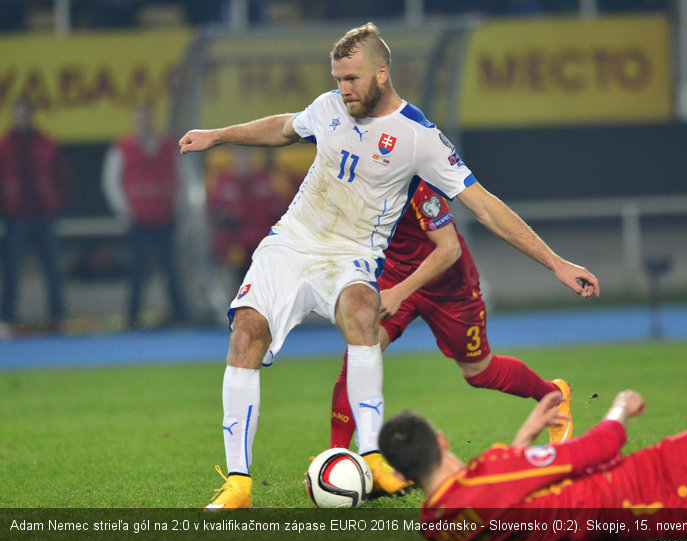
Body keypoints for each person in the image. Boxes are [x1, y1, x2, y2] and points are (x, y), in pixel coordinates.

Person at [179, 22, 599, 511]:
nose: (344, 89)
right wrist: (218, 135)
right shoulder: (330, 107)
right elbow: (285, 127)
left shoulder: (419, 141)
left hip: (379, 261)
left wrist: (555, 262)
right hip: (295, 241)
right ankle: (242, 485)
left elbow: (481, 206)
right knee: (247, 330)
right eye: (338, 79)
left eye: (352, 78)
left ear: (382, 72)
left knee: (398, 332)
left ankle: (373, 454)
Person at [380, 390, 687, 541]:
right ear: (442, 440)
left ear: (402, 476)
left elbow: (503, 498)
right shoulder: (487, 477)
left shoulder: (435, 527)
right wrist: (620, 406)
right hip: (652, 485)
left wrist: (524, 440)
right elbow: (598, 448)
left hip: (638, 519)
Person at [329, 180, 573, 453]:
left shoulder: (417, 186)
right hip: (395, 275)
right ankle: (336, 455)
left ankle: (553, 394)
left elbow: (449, 249)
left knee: (480, 372)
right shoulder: (350, 178)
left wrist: (400, 292)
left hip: (448, 284)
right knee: (360, 353)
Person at [102, 102, 189, 329]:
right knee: (138, 271)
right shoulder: (123, 148)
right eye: (140, 118)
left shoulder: (169, 146)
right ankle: (133, 319)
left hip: (166, 218)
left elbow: (182, 177)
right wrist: (126, 211)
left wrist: (176, 206)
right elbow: (111, 182)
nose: (144, 123)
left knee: (171, 270)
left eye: (148, 118)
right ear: (134, 121)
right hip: (138, 221)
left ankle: (181, 317)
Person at [0, 96, 72, 334]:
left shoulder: (46, 143)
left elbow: (62, 177)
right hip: (16, 217)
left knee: (53, 269)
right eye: (18, 114)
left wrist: (54, 203)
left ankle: (58, 318)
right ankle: (7, 319)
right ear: (13, 116)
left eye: (25, 114)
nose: (22, 118)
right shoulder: (4, 145)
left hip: (44, 216)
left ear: (31, 116)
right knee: (12, 271)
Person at [207, 146, 293, 284]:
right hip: (233, 252)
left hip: (262, 250)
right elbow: (213, 216)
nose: (243, 160)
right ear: (232, 158)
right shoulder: (223, 183)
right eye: (239, 156)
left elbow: (280, 212)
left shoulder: (266, 181)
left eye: (247, 155)